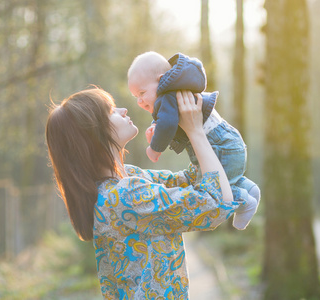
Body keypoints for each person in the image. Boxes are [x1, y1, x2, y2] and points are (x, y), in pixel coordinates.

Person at [46, 87, 244, 299]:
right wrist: (195, 131)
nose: (123, 110)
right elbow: (213, 203)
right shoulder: (125, 195)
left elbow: (189, 181)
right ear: (92, 135)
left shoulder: (126, 178)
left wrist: (186, 129)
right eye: (111, 111)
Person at [127, 51, 260, 230]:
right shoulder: (174, 91)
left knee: (213, 187)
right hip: (227, 142)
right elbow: (166, 120)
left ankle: (244, 201)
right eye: (136, 97)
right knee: (226, 178)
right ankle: (249, 189)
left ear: (160, 80)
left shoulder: (167, 96)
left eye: (142, 93)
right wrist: (155, 125)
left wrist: (155, 148)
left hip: (219, 146)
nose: (140, 101)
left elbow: (167, 124)